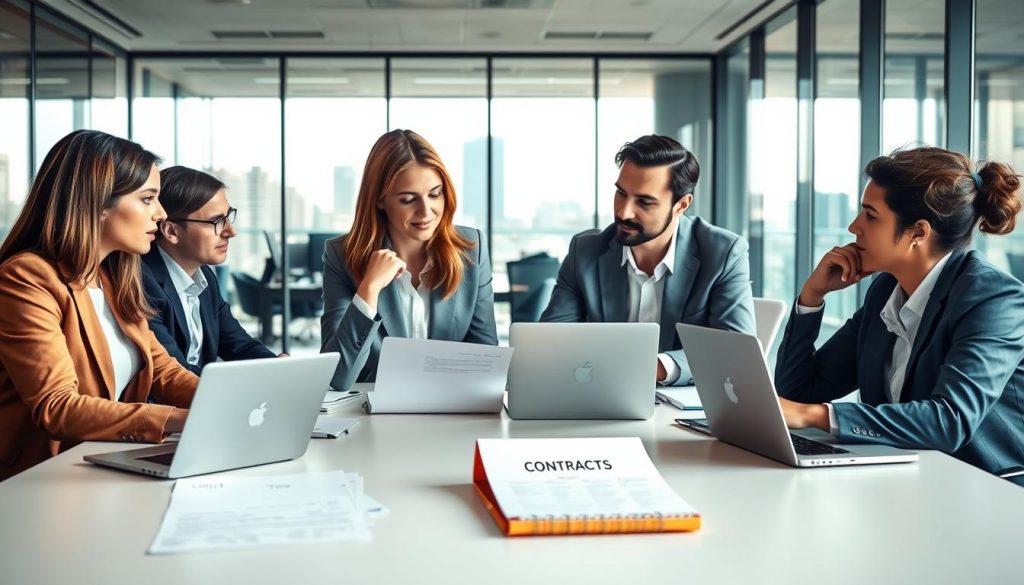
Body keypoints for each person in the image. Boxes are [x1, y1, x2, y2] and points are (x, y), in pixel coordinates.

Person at [776, 146, 1024, 484]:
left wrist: (812, 415)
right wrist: (812, 297)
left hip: (985, 488)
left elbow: (949, 421)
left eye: (870, 216)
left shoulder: (993, 298)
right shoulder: (885, 291)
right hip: (906, 478)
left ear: (918, 233)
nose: (854, 227)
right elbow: (799, 392)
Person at [0, 130, 198, 480]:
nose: (161, 214)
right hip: (37, 478)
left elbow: (163, 370)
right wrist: (178, 419)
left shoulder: (112, 278)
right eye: (147, 199)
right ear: (98, 202)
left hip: (96, 466)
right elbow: (57, 407)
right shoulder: (27, 277)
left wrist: (229, 400)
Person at [540, 134, 756, 386]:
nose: (624, 211)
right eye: (621, 193)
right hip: (600, 400)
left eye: (644, 201)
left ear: (681, 205)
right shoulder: (585, 250)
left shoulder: (723, 252)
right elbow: (549, 342)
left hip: (681, 411)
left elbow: (735, 352)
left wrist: (654, 367)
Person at [320, 129, 497, 390]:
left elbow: (485, 363)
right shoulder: (342, 256)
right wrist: (369, 289)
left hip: (452, 410)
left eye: (434, 194)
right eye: (408, 199)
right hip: (375, 415)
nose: (426, 211)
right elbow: (338, 377)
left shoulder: (471, 250)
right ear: (380, 199)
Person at [141, 166, 277, 375]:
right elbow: (173, 374)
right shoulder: (142, 282)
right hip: (172, 404)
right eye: (216, 221)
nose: (231, 232)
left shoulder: (205, 278)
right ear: (171, 231)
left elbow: (239, 345)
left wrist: (279, 368)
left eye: (228, 216)